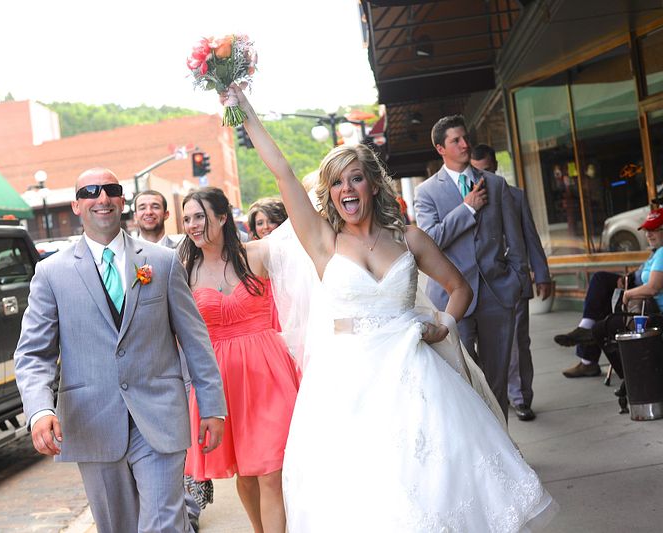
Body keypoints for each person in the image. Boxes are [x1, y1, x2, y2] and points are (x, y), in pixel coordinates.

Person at [226, 85, 556, 531]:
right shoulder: (324, 243)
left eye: (356, 177)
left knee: (435, 482)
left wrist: (443, 325)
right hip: (347, 384)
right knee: (368, 492)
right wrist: (242, 107)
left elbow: (458, 289)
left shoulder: (409, 239)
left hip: (416, 374)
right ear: (330, 192)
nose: (347, 188)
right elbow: (282, 170)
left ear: (373, 183)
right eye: (338, 181)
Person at [14, 168, 227, 533]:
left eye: (111, 189)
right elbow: (33, 354)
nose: (102, 197)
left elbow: (194, 338)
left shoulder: (161, 261)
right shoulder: (51, 273)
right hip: (92, 422)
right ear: (77, 205)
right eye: (91, 191)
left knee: (164, 523)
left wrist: (212, 405)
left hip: (159, 416)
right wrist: (38, 410)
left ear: (121, 199)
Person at [180, 187, 299, 533]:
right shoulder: (185, 272)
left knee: (270, 471)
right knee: (245, 474)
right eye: (186, 218)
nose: (192, 225)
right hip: (220, 382)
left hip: (268, 374)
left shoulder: (259, 254)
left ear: (221, 217)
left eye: (199, 216)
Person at [415, 116, 527, 417]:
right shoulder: (426, 192)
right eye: (456, 140)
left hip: (497, 294)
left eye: (465, 138)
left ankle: (506, 449)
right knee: (463, 378)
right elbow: (431, 239)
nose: (465, 144)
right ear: (441, 148)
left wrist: (517, 281)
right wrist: (466, 208)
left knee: (497, 378)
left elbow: (515, 238)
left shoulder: (496, 184)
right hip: (452, 298)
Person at [132, 187, 206, 530]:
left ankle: (187, 506)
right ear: (134, 215)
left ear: (165, 214)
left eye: (155, 207)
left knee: (182, 441)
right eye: (142, 207)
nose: (148, 212)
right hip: (148, 371)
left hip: (182, 363)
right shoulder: (125, 257)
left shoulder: (183, 252)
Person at [471, 144, 552, 422]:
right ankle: (496, 395)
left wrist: (540, 274)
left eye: (489, 170)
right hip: (476, 287)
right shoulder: (465, 198)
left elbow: (530, 236)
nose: (485, 177)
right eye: (479, 171)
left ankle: (520, 398)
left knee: (519, 343)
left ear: (495, 166)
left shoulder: (514, 195)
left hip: (511, 283)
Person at [555, 207, 663, 377]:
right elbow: (645, 273)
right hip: (639, 296)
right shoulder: (657, 252)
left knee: (600, 320)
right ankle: (587, 343)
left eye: (655, 230)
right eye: (647, 230)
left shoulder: (662, 253)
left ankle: (622, 374)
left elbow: (653, 287)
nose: (649, 234)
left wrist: (628, 292)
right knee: (601, 290)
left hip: (649, 308)